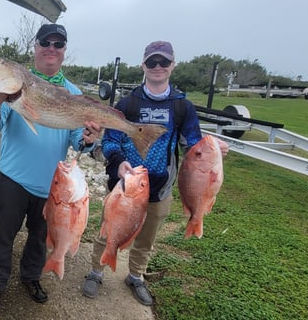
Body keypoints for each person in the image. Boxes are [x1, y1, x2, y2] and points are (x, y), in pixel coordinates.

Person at [81, 41, 229, 305]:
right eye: (152, 62)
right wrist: (119, 163)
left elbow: (192, 144)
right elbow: (111, 140)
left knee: (147, 237)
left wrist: (214, 149)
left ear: (173, 65)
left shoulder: (183, 107)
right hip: (125, 186)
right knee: (109, 229)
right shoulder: (127, 103)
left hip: (161, 188)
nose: (158, 67)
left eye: (163, 62)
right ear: (143, 66)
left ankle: (136, 275)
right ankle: (96, 270)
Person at [0, 23, 102, 312]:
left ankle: (31, 278)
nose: (51, 48)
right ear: (35, 47)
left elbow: (76, 139)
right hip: (13, 179)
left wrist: (87, 138)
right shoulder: (14, 84)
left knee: (39, 238)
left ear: (63, 52)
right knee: (2, 236)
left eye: (58, 44)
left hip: (52, 185)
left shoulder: (73, 94)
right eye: (45, 42)